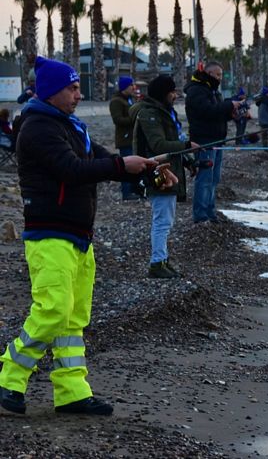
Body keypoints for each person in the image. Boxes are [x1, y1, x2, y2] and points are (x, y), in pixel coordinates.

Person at [0, 56, 175, 416]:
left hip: (79, 236)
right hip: (49, 236)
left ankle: (71, 393)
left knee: (73, 319)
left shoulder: (70, 125)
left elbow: (103, 160)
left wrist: (146, 170)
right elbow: (72, 169)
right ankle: (8, 377)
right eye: (73, 88)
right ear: (52, 91)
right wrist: (121, 165)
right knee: (52, 311)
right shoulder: (37, 128)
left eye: (79, 88)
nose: (79, 94)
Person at [130, 75, 192, 278]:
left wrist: (188, 160)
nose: (175, 95)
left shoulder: (164, 112)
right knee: (162, 221)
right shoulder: (149, 114)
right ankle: (156, 264)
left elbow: (172, 141)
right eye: (173, 91)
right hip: (158, 173)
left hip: (169, 171)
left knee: (166, 220)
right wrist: (187, 146)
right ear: (163, 93)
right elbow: (158, 145)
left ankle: (163, 259)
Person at [184, 61, 240, 224]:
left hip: (217, 140)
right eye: (217, 75)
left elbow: (217, 113)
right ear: (208, 73)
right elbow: (207, 111)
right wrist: (229, 104)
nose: (220, 78)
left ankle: (210, 211)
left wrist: (232, 114)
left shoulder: (213, 91)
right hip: (203, 140)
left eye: (221, 75)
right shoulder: (197, 90)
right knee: (205, 178)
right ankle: (200, 215)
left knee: (214, 179)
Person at [109, 76, 138, 200]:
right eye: (131, 85)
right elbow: (118, 120)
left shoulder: (130, 100)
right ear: (124, 87)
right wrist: (135, 119)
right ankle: (126, 192)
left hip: (133, 138)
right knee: (126, 165)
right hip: (125, 139)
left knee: (135, 165)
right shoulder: (116, 101)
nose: (133, 87)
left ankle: (134, 190)